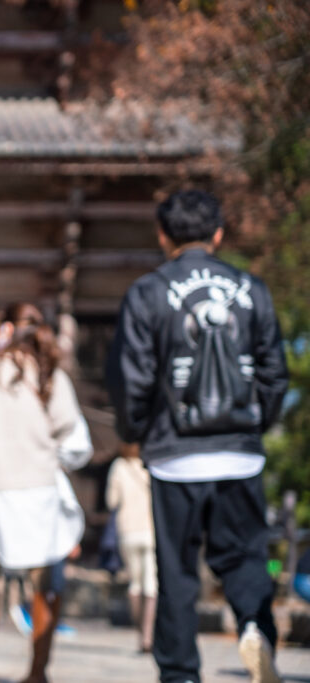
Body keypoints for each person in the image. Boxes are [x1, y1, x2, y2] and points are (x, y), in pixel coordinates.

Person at [106, 190, 289, 683]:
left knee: (178, 572)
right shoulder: (251, 289)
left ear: (163, 235)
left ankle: (181, 672)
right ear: (218, 234)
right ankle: (255, 630)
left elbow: (133, 378)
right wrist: (257, 424)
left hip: (175, 456)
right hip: (239, 454)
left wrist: (136, 432)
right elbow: (274, 370)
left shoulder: (148, 292)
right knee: (246, 559)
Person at [0, 302, 92, 683]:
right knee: (45, 582)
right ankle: (38, 672)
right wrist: (47, 455)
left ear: (5, 329)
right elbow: (78, 444)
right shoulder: (53, 375)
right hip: (42, 492)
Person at [106, 442, 157, 653]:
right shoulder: (152, 463)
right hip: (151, 530)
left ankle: (139, 632)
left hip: (128, 531)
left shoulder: (119, 466)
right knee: (151, 585)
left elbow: (111, 501)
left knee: (134, 585)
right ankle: (148, 636)